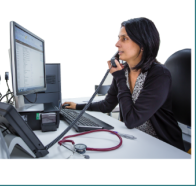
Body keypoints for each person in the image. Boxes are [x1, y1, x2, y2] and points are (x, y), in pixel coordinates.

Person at [62, 16, 185, 151]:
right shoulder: (124, 71)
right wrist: (78, 106)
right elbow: (107, 104)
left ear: (142, 44)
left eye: (124, 39)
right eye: (118, 38)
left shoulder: (159, 75)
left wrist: (119, 77)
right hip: (136, 139)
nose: (116, 44)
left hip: (162, 146)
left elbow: (132, 120)